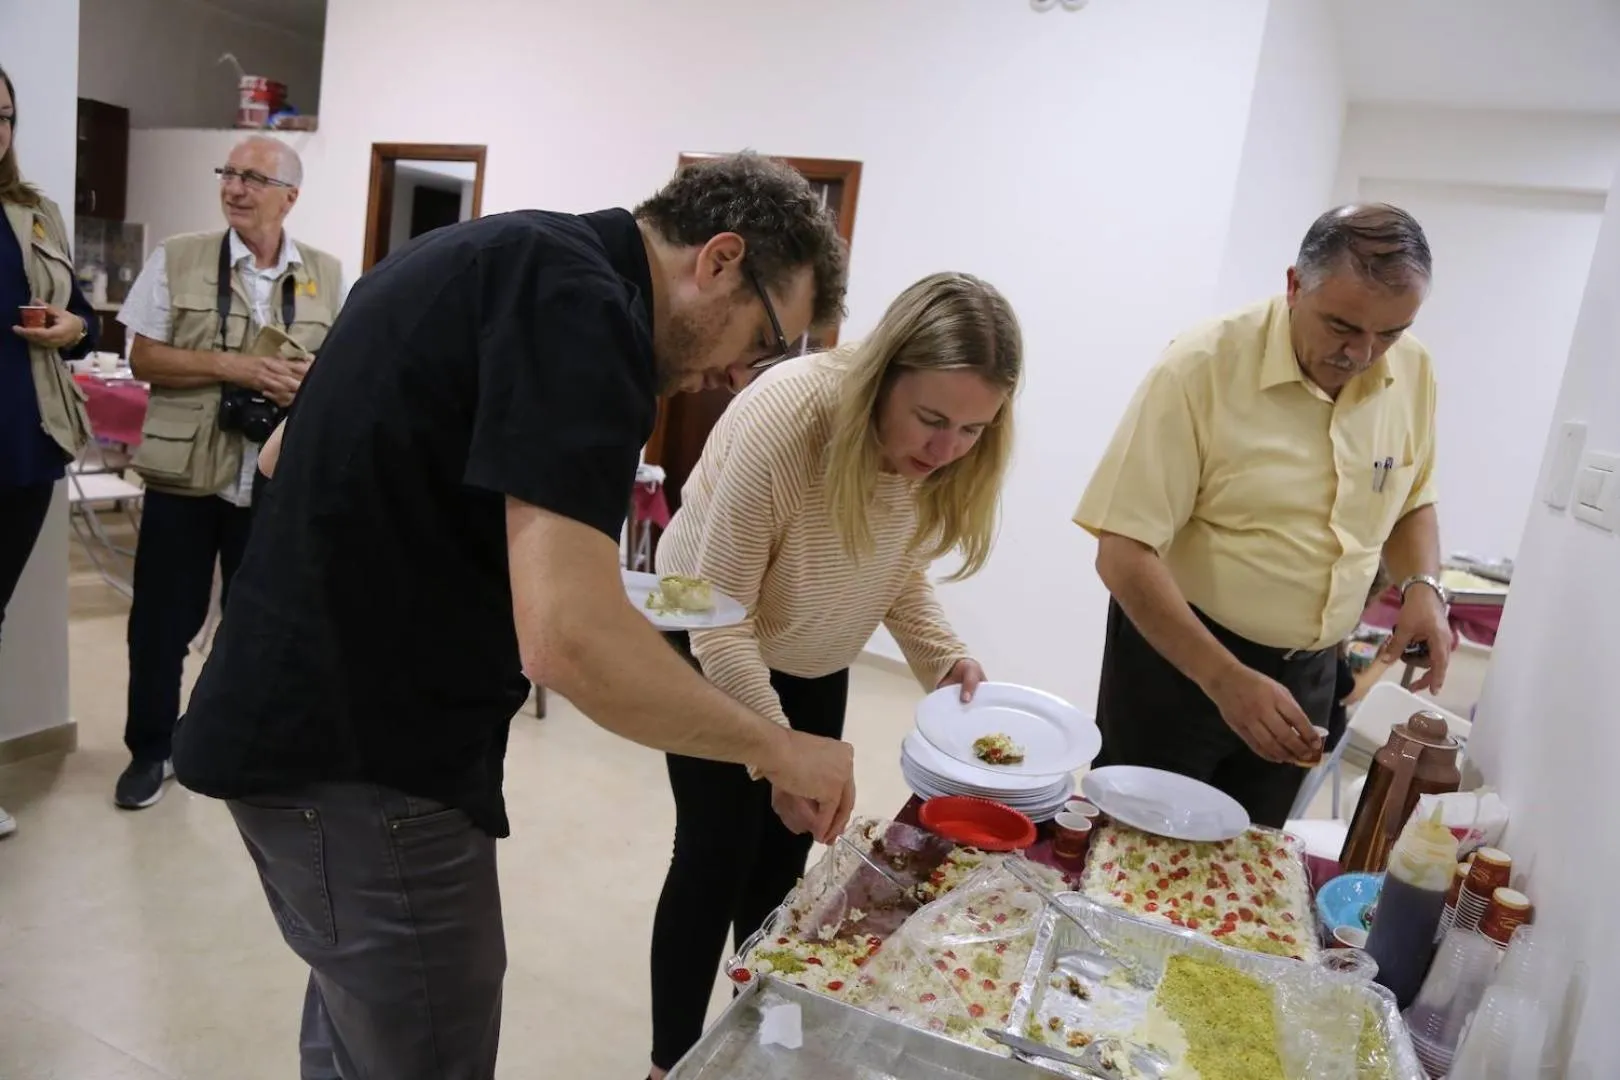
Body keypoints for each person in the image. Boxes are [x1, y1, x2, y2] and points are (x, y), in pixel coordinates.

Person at [169, 152, 860, 1080]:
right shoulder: (588, 315)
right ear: (721, 259)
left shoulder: (492, 254)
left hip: (291, 731)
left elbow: (284, 456)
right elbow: (567, 641)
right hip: (364, 763)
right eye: (767, 340)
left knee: (358, 1037)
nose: (743, 375)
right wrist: (778, 748)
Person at [647, 271, 1021, 1077]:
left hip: (809, 646)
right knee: (711, 855)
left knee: (787, 856)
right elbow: (721, 615)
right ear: (882, 375)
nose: (946, 449)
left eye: (972, 429)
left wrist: (944, 657)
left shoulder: (940, 453)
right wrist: (776, 748)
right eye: (930, 420)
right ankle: (669, 1062)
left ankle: (760, 1034)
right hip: (703, 622)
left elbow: (896, 567)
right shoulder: (787, 420)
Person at [1074, 204, 1453, 829]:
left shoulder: (1412, 369)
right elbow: (1122, 553)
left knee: (1247, 865)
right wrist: (1223, 679)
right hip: (1182, 664)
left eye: (1389, 333)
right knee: (1137, 854)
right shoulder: (1200, 367)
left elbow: (1413, 496)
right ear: (1293, 285)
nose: (1362, 354)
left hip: (1310, 671)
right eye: (1341, 326)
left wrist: (1423, 588)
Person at [113, 135, 343, 810]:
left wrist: (307, 387)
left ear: (290, 198)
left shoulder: (328, 275)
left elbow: (343, 368)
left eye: (253, 178)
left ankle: (215, 743)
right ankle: (149, 751)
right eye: (229, 174)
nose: (234, 188)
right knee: (161, 622)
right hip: (187, 476)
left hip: (274, 480)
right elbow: (143, 359)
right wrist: (237, 368)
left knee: (258, 623)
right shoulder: (178, 258)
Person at [0, 65, 98, 840]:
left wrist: (74, 330)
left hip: (25, 444)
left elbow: (84, 318)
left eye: (4, 115)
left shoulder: (34, 213)